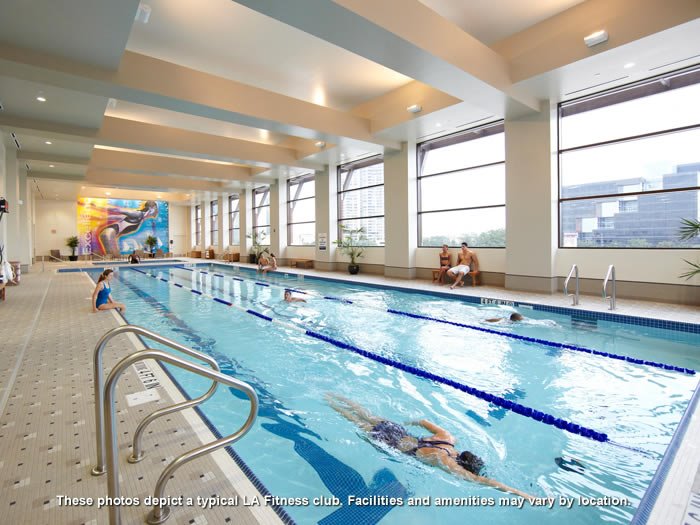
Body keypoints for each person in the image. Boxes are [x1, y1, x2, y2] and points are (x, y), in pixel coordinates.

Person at [326, 394, 533, 498]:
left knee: (364, 413)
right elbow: (483, 481)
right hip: (391, 443)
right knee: (353, 420)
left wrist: (409, 422)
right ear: (464, 466)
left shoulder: (448, 438)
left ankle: (333, 395)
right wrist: (524, 495)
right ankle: (331, 404)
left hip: (399, 431)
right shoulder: (444, 461)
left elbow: (423, 421)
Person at [93, 200, 159, 255]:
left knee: (115, 259)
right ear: (151, 208)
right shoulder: (137, 214)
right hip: (108, 234)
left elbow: (119, 217)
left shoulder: (141, 218)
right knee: (114, 260)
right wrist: (98, 206)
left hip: (109, 234)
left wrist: (102, 217)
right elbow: (117, 210)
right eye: (156, 208)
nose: (157, 211)